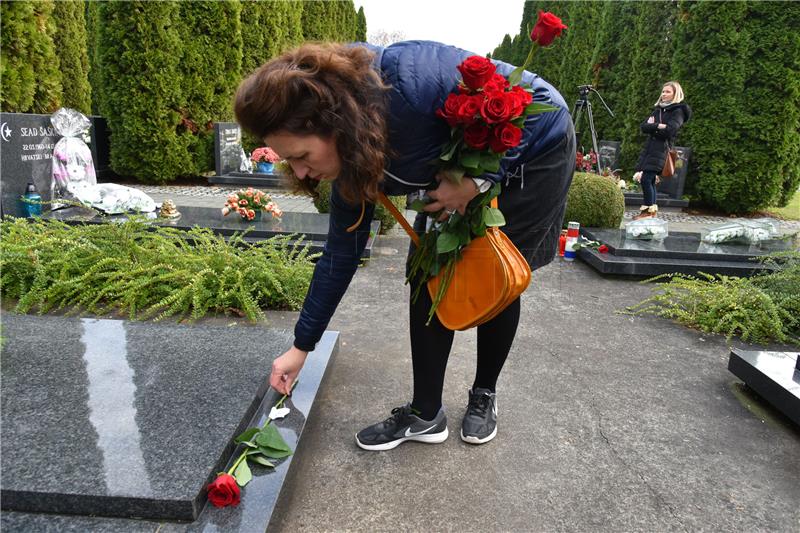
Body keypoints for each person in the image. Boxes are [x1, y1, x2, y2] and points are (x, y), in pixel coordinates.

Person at [234, 41, 575, 451]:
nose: (302, 171)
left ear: (335, 124)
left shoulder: (413, 88)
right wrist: (301, 346)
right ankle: (426, 413)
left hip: (531, 155)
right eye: (291, 161)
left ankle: (484, 392)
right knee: (427, 271)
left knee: (497, 272)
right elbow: (339, 257)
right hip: (455, 169)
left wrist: (474, 183)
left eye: (303, 155)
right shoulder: (350, 156)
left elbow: (545, 108)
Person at [632, 81, 691, 220]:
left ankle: (648, 211)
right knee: (650, 180)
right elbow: (644, 127)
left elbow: (670, 130)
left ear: (676, 94)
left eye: (668, 92)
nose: (664, 94)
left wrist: (654, 126)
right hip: (650, 149)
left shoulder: (678, 110)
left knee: (646, 179)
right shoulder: (659, 110)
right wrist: (659, 126)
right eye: (663, 91)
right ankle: (650, 211)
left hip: (662, 149)